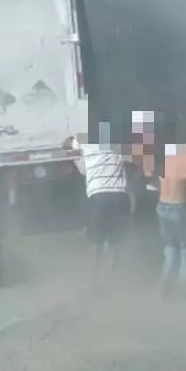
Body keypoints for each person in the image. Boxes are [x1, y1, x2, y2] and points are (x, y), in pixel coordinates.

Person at [64, 121, 137, 287]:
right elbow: (135, 158)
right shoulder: (117, 143)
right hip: (119, 195)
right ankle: (112, 280)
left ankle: (94, 282)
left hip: (97, 197)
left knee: (95, 243)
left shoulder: (85, 143)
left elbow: (66, 144)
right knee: (116, 243)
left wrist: (76, 141)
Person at [155, 140, 186, 297]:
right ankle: (184, 290)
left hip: (162, 206)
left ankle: (165, 283)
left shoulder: (164, 157)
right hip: (179, 206)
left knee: (169, 247)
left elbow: (156, 180)